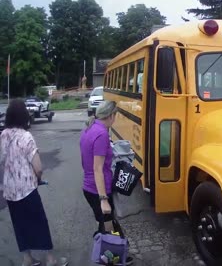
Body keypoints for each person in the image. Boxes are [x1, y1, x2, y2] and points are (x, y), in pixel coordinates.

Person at [0, 99, 68, 266]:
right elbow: (38, 167)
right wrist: (37, 178)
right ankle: (50, 259)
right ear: (24, 115)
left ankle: (27, 258)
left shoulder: (3, 135)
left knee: (20, 224)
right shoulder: (26, 136)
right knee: (39, 222)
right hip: (27, 190)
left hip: (10, 191)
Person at [79, 101, 133, 265]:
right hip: (98, 190)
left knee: (105, 223)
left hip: (89, 188)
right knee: (109, 229)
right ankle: (110, 258)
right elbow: (97, 169)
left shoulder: (89, 128)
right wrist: (104, 199)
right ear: (110, 116)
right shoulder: (102, 134)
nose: (115, 118)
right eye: (115, 115)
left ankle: (112, 255)